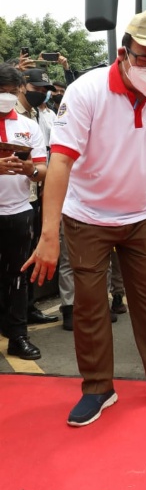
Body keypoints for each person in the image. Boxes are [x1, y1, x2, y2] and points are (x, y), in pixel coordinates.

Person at [23, 9, 146, 426]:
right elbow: (60, 161)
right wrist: (50, 234)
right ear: (123, 52)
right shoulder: (86, 92)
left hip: (141, 216)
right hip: (87, 217)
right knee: (89, 304)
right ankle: (98, 386)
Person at [0, 65, 47, 359]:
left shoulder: (29, 127)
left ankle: (18, 335)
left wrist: (31, 170)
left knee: (18, 277)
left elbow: (43, 170)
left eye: (9, 92)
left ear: (19, 90)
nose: (5, 97)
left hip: (18, 211)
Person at [17, 68, 59, 325]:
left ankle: (28, 307)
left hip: (35, 192)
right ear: (22, 86)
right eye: (37, 89)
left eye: (45, 91)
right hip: (12, 198)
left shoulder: (37, 115)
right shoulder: (13, 117)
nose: (41, 94)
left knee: (32, 253)